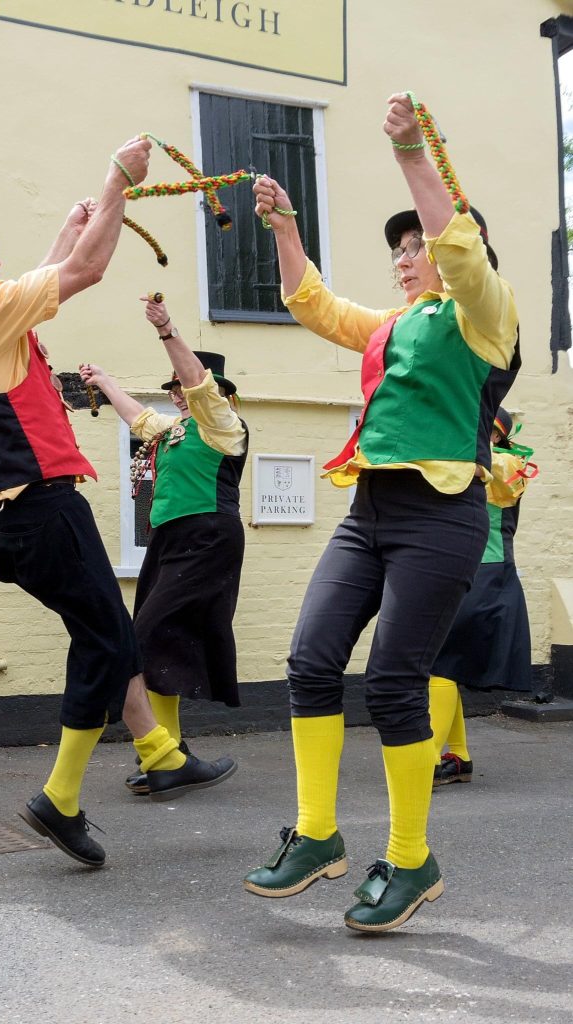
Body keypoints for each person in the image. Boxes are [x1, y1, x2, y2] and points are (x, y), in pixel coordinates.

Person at [0, 136, 232, 870]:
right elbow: (80, 271)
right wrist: (118, 181)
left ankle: (157, 750)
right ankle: (58, 797)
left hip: (12, 514)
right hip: (40, 506)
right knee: (107, 642)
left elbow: (37, 282)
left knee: (105, 628)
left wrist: (76, 222)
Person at [242, 93, 520, 932]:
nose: (405, 258)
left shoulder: (483, 317)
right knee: (309, 662)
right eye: (397, 249)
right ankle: (318, 837)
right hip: (367, 511)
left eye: (415, 246)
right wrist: (285, 227)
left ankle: (409, 860)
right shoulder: (391, 328)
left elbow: (462, 253)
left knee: (395, 682)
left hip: (440, 517)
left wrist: (410, 156)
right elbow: (315, 305)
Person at [80, 295, 247, 796]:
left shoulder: (223, 425)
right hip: (170, 540)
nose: (178, 394)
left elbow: (199, 385)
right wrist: (106, 382)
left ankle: (168, 755)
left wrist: (167, 329)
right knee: (150, 642)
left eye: (183, 386)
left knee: (149, 633)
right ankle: (168, 755)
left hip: (208, 537)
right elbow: (137, 419)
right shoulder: (174, 431)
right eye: (173, 389)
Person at [429, 407, 535, 786]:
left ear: (496, 434)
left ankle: (426, 761)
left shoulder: (506, 463)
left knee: (439, 663)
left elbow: (485, 472)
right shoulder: (474, 459)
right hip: (467, 568)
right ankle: (458, 758)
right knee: (445, 664)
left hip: (485, 572)